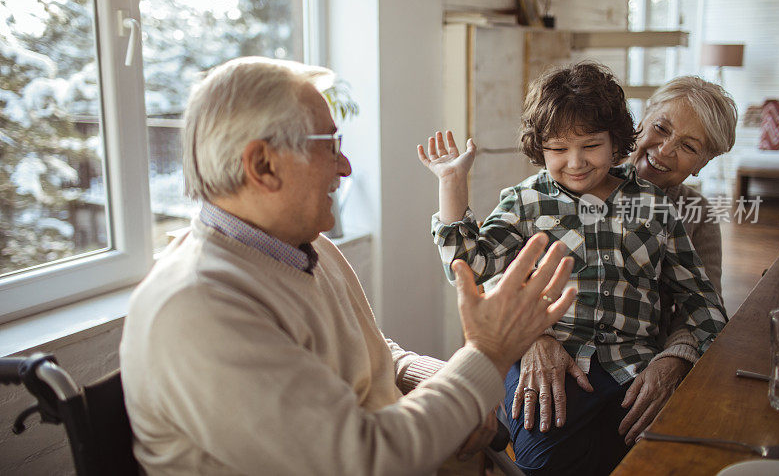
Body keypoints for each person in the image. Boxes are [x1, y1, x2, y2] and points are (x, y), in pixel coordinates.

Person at [118, 56, 579, 476]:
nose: (345, 166)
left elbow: (373, 354)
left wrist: (443, 379)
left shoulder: (302, 246)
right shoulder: (198, 307)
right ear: (263, 164)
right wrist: (486, 355)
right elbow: (362, 460)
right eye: (329, 145)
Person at [417, 62, 728, 475]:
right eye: (559, 149)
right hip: (555, 360)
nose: (576, 162)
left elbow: (702, 301)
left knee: (657, 457)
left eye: (590, 146)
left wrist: (678, 357)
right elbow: (471, 269)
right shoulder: (525, 201)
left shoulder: (660, 207)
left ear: (617, 139)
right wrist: (451, 184)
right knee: (542, 461)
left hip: (632, 364)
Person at [512, 75, 738, 453]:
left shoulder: (695, 214)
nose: (665, 150)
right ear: (641, 121)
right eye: (661, 128)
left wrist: (673, 361)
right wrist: (535, 337)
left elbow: (701, 306)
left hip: (639, 367)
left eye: (688, 146)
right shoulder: (572, 174)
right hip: (555, 351)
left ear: (703, 163)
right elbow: (500, 277)